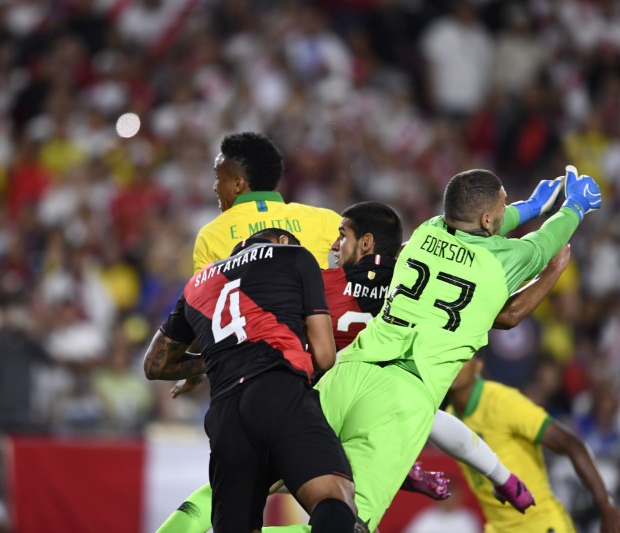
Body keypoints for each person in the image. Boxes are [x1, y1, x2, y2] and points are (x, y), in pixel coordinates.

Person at [158, 199, 570, 533]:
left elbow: (269, 341)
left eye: (343, 236)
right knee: (347, 518)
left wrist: (203, 366)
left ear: (368, 242)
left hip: (318, 398)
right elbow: (499, 313)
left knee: (225, 494)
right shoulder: (411, 283)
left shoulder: (317, 281)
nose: (335, 245)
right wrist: (503, 476)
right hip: (392, 410)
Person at [314, 165, 600, 530]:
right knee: (348, 525)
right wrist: (576, 206)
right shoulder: (504, 260)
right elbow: (548, 243)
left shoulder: (426, 231)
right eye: (502, 206)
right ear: (486, 219)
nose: (504, 209)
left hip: (349, 368)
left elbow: (478, 225)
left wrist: (529, 207)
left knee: (258, 473)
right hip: (405, 395)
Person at [143, 228, 364, 532]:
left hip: (225, 416)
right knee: (335, 499)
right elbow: (325, 357)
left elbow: (154, 365)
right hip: (279, 391)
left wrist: (217, 359)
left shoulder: (198, 282)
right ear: (283, 240)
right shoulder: (295, 256)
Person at [447, 354, 620, 533]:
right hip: (499, 528)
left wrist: (606, 506)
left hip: (540, 525)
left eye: (462, 359)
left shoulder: (501, 402)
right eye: (447, 358)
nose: (453, 365)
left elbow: (571, 444)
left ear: (479, 366)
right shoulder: (450, 418)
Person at [192, 131, 340, 273]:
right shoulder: (325, 220)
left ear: (238, 184)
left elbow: (202, 298)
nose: (215, 188)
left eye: (218, 179)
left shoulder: (211, 236)